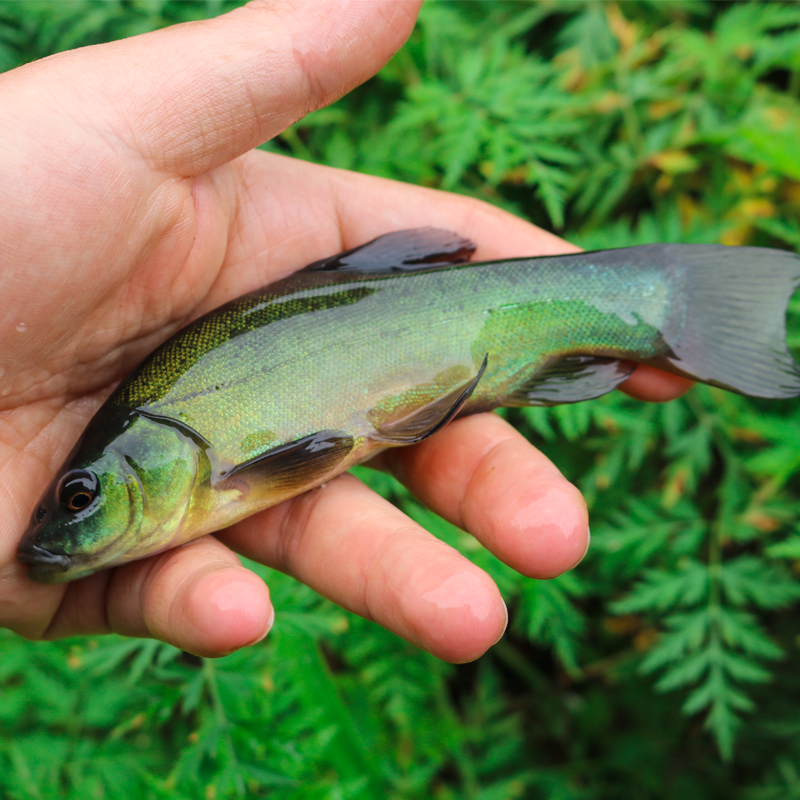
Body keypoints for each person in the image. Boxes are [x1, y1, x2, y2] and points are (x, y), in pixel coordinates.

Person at [0, 1, 690, 661]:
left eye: (79, 497)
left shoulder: (207, 466)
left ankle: (675, 302)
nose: (68, 522)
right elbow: (319, 449)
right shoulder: (174, 448)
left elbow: (318, 449)